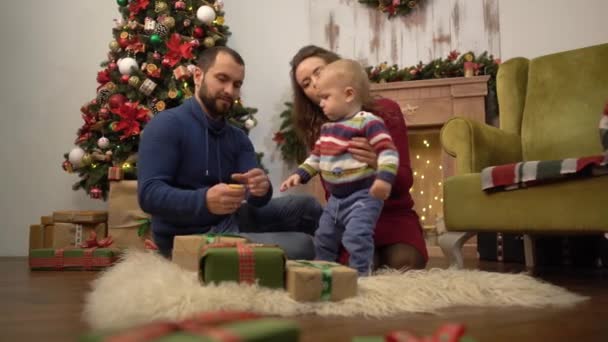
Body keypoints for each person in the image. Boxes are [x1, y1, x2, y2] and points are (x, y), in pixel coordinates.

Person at [137, 46, 322, 259]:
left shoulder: (237, 137)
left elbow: (257, 197)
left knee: (307, 207)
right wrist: (204, 200)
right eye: (222, 79)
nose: (230, 91)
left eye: (237, 84)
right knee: (304, 246)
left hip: (230, 219)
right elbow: (149, 194)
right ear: (198, 76)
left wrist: (260, 188)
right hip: (187, 237)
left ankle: (349, 260)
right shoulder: (167, 125)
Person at [289, 45, 428, 270]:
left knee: (405, 262)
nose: (315, 83)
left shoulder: (384, 112)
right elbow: (332, 191)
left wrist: (378, 163)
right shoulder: (323, 130)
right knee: (359, 266)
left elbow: (404, 181)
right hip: (350, 217)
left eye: (318, 72)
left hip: (392, 214)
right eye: (306, 83)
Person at [281, 59, 399, 275]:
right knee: (324, 237)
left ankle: (360, 277)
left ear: (348, 94)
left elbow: (388, 152)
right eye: (320, 99)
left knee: (357, 237)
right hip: (336, 201)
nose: (322, 103)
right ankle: (321, 274)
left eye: (326, 98)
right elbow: (316, 157)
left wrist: (383, 179)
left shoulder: (368, 122)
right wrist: (299, 175)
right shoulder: (327, 128)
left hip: (363, 197)